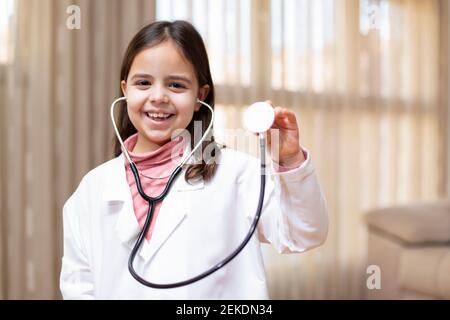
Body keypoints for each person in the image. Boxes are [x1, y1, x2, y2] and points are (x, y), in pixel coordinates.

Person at [60, 20, 328, 300]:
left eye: (176, 85)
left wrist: (290, 161)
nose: (158, 97)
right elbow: (78, 287)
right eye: (143, 83)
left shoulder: (236, 174)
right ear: (126, 90)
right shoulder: (92, 189)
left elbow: (304, 233)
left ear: (200, 96)